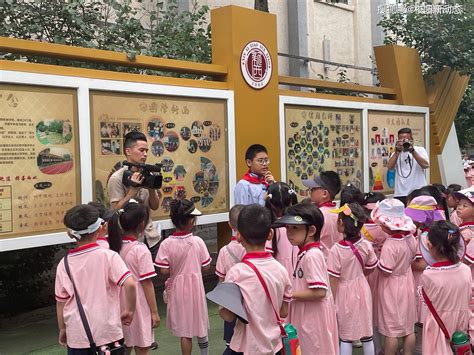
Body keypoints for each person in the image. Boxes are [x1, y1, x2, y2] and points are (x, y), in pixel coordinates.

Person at [55, 204, 136, 354]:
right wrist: (130, 310)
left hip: (77, 336)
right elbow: (130, 284)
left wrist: (62, 329)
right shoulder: (108, 256)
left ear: (70, 234)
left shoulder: (63, 264)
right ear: (101, 229)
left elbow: (61, 302)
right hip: (108, 334)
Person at [218, 204, 292, 355]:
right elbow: (284, 311)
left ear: (238, 235)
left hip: (245, 346)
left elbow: (228, 315)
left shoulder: (236, 273)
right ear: (270, 234)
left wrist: (221, 306)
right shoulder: (281, 270)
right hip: (274, 345)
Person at [275, 202, 338, 354]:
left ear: (311, 230)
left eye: (295, 228)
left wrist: (288, 294)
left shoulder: (312, 256)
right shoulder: (306, 253)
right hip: (307, 315)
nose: (289, 232)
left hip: (312, 319)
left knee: (313, 348)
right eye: (288, 228)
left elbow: (319, 292)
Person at [154, 199, 211, 355]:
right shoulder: (197, 241)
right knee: (200, 323)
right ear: (191, 220)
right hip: (196, 287)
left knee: (185, 331)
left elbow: (164, 270)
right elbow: (206, 266)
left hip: (178, 289)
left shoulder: (167, 243)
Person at [108, 200, 160, 355]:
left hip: (118, 303)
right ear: (142, 224)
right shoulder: (140, 250)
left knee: (123, 346)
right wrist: (154, 312)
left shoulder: (113, 247)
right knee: (141, 346)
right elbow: (147, 283)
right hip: (138, 304)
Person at [328, 203, 378, 355]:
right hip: (362, 286)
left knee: (345, 335)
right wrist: (360, 274)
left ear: (341, 224)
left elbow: (334, 279)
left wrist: (332, 299)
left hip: (344, 290)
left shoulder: (336, 250)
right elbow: (372, 266)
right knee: (367, 332)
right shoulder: (366, 245)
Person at [371, 199, 417, 355]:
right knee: (408, 327)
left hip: (392, 287)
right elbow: (412, 258)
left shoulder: (391, 244)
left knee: (392, 330)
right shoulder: (411, 238)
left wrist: (375, 260)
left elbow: (385, 269)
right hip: (407, 280)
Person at [108, 131, 161, 258]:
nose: (145, 154)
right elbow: (114, 210)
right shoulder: (117, 178)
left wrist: (152, 189)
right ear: (128, 151)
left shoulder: (147, 174)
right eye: (141, 150)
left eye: (147, 151)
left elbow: (154, 206)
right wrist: (132, 192)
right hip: (128, 241)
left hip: (151, 239)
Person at [421, 221, 471, 353]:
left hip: (438, 326)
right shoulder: (466, 270)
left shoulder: (428, 275)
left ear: (429, 245)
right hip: (461, 324)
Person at [404, 195, 445, 352]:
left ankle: (422, 348)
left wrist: (406, 262)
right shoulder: (437, 233)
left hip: (423, 279)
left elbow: (421, 263)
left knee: (423, 316)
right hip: (437, 277)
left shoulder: (424, 236)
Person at [215, 204, 246, 355]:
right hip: (250, 302)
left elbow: (221, 280)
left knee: (232, 344)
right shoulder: (254, 246)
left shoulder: (224, 251)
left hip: (231, 303)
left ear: (229, 224)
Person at [361, 192, 387, 354]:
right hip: (385, 272)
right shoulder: (388, 228)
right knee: (386, 309)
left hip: (368, 272)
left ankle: (376, 348)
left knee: (371, 312)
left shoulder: (361, 229)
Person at [302, 170, 342, 258]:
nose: (310, 191)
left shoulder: (317, 215)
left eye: (313, 189)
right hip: (336, 263)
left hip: (319, 261)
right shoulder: (339, 212)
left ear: (324, 193)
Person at [265, 182, 299, 280]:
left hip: (278, 280)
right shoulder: (299, 226)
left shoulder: (269, 230)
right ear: (290, 201)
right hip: (298, 279)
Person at [387, 128, 429, 205]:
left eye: (407, 140)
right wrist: (397, 152)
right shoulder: (396, 153)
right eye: (401, 139)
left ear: (412, 139)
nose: (404, 142)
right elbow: (390, 167)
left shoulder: (419, 150)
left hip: (418, 191)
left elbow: (425, 165)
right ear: (398, 140)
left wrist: (412, 151)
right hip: (400, 193)